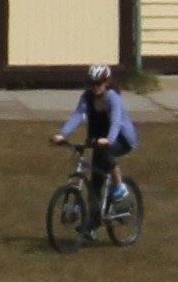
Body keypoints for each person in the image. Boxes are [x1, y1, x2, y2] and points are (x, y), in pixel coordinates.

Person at [57, 70, 141, 223]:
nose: (95, 86)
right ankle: (93, 226)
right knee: (95, 183)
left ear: (106, 82)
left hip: (122, 138)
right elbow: (78, 116)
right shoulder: (87, 97)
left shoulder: (112, 98)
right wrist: (63, 134)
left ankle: (120, 186)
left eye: (98, 83)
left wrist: (108, 139)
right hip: (99, 139)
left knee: (106, 154)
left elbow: (116, 122)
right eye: (92, 83)